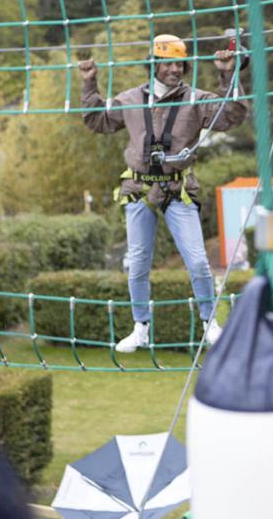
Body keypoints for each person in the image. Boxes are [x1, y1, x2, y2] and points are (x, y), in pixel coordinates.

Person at [79, 34, 248, 352]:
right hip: (139, 187)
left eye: (179, 63)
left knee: (198, 261)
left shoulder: (196, 100)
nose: (175, 69)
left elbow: (230, 115)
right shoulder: (130, 100)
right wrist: (90, 84)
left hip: (177, 188)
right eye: (168, 63)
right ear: (154, 65)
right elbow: (97, 120)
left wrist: (229, 74)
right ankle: (140, 326)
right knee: (138, 261)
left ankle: (209, 323)